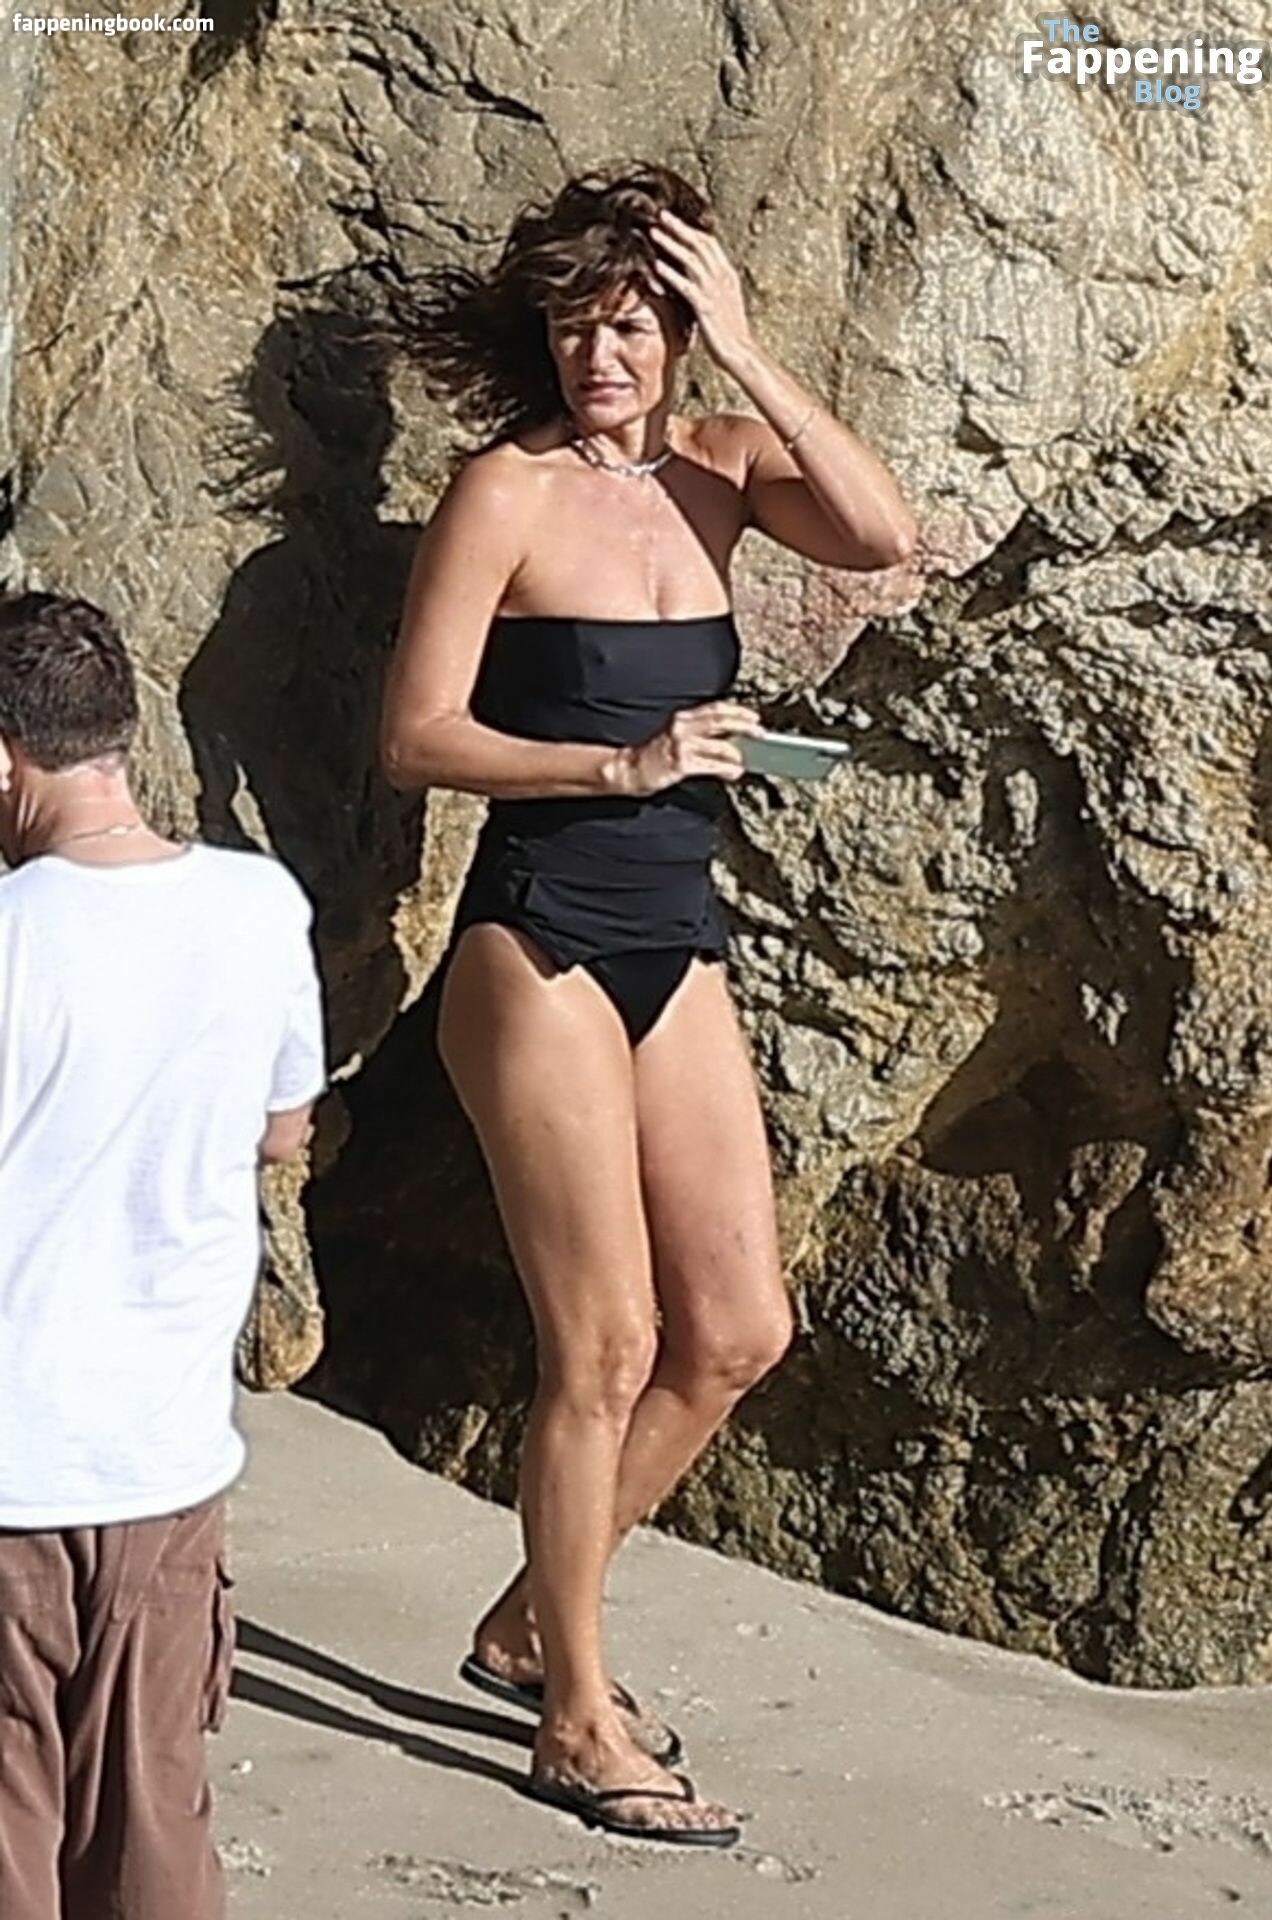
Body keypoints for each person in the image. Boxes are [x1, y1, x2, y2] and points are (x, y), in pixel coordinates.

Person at [380, 164, 917, 1845]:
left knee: (738, 1331)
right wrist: (615, 763)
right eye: (574, 326)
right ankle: (573, 1719)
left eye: (629, 326)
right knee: (605, 1345)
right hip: (536, 939)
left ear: (680, 333)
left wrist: (749, 351)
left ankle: (522, 1626)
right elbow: (414, 736)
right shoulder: (506, 490)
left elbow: (883, 536)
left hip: (674, 940)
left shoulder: (720, 470)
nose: (597, 356)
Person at [0, 591, 326, 1919]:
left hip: (12, 1467)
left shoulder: (12, 934)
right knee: (151, 1831)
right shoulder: (258, 907)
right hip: (163, 1459)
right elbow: (284, 1126)